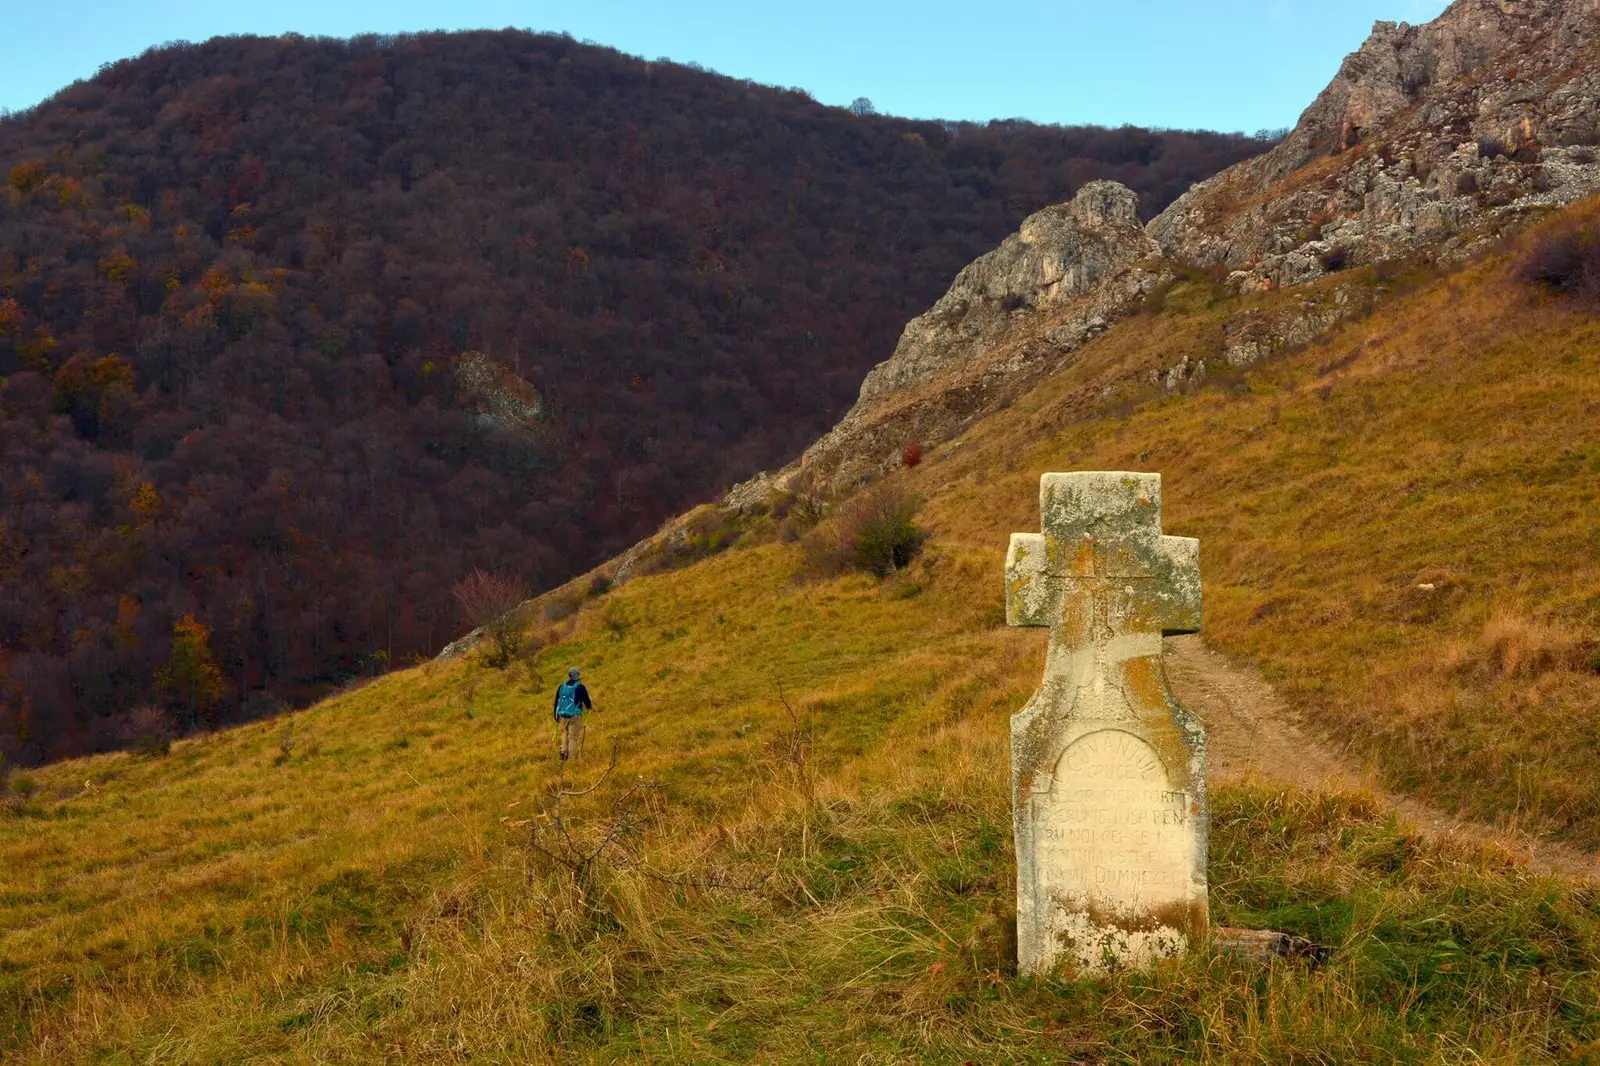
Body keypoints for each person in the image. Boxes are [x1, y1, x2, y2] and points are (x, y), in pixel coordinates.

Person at [553, 667, 594, 760]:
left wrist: (555, 716)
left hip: (562, 715)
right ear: (577, 676)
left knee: (565, 733)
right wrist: (589, 707)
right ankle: (572, 758)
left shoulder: (562, 686)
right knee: (573, 738)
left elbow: (556, 701)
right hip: (574, 715)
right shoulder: (580, 687)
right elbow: (586, 701)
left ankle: (564, 752)